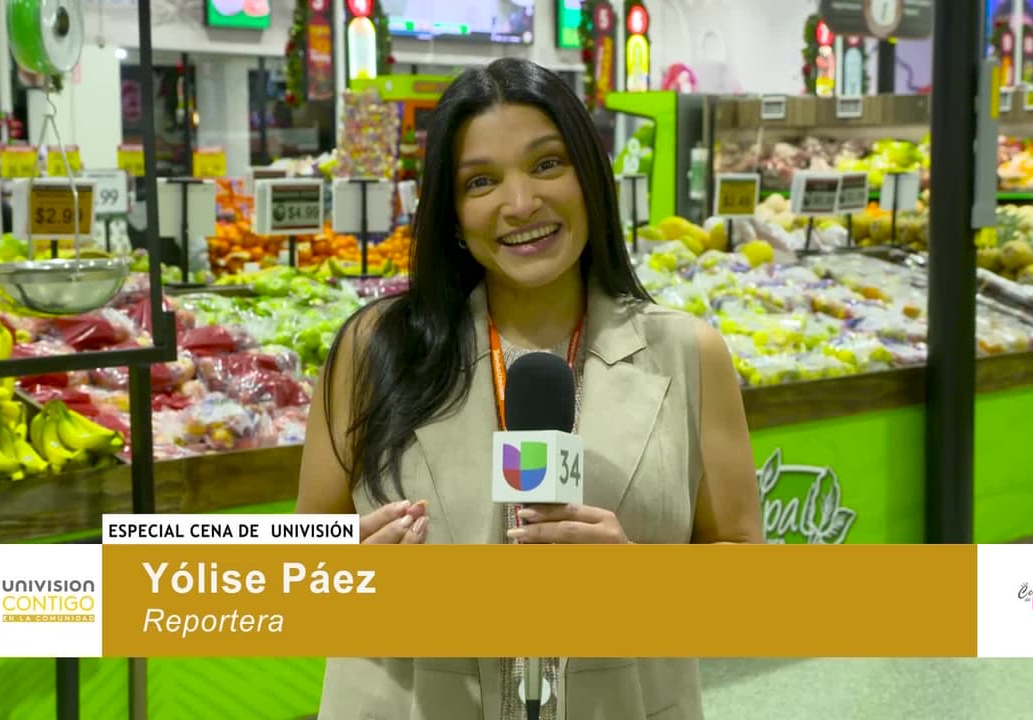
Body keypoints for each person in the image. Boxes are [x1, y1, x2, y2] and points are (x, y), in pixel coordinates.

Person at [297, 57, 761, 719]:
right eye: (481, 181)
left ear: (591, 178)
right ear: (452, 213)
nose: (519, 204)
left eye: (547, 164)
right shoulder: (374, 351)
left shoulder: (687, 353)